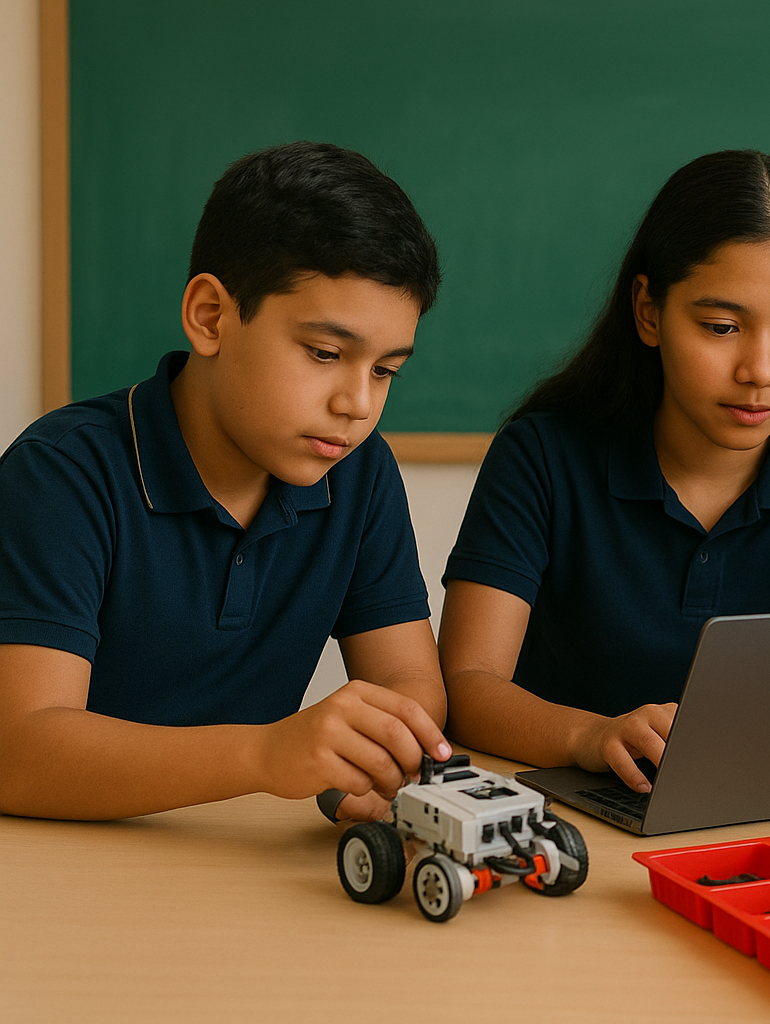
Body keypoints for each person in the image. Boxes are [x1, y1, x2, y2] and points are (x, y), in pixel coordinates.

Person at [438, 149, 770, 792]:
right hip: (569, 814)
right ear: (649, 310)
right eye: (721, 326)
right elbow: (468, 684)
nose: (760, 370)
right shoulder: (542, 455)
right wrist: (589, 737)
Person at [0, 142, 452, 822]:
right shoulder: (62, 473)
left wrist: (370, 759)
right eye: (326, 353)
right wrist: (267, 756)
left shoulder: (359, 472)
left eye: (385, 369)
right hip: (71, 863)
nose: (357, 404)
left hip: (242, 864)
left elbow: (407, 678)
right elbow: (20, 752)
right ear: (211, 316)